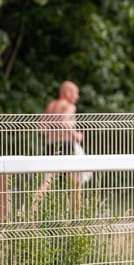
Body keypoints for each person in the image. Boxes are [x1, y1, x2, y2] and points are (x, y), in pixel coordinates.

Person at [32, 81, 84, 212]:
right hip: (65, 146)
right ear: (67, 92)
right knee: (77, 183)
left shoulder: (52, 105)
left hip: (50, 146)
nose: (77, 97)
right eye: (76, 93)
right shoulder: (69, 106)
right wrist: (76, 135)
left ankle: (30, 211)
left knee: (46, 182)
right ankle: (76, 217)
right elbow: (64, 122)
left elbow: (40, 128)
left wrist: (52, 131)